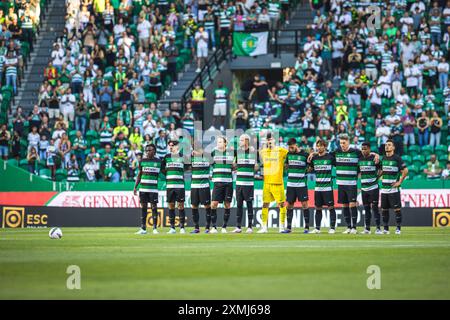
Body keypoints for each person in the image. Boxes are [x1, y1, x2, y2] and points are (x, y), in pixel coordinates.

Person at [259, 132, 288, 233]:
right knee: (265, 204)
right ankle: (264, 227)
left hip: (277, 182)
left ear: (275, 140)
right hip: (267, 183)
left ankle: (281, 226)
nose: (269, 141)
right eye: (268, 139)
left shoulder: (281, 150)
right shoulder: (263, 152)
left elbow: (292, 154)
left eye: (271, 139)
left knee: (281, 204)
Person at [380, 139, 408, 234]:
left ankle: (398, 229)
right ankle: (386, 229)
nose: (387, 146)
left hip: (393, 190)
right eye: (386, 145)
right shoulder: (383, 158)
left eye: (389, 145)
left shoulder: (397, 158)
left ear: (393, 147)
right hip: (384, 189)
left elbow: (405, 171)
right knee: (384, 209)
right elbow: (381, 171)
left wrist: (399, 182)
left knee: (397, 209)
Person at [307, 139, 336, 234]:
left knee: (331, 208)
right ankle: (317, 228)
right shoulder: (314, 158)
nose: (319, 148)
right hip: (317, 188)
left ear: (325, 147)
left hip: (328, 188)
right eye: (317, 146)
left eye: (321, 146)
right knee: (318, 208)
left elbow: (338, 165)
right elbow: (310, 168)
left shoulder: (330, 157)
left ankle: (332, 228)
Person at [284, 138, 310, 234]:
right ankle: (289, 228)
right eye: (289, 148)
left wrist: (305, 171)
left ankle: (307, 227)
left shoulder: (304, 155)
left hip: (301, 184)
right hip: (291, 184)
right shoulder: (288, 154)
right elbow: (286, 165)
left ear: (296, 145)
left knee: (304, 204)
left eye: (292, 147)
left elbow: (310, 166)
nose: (290, 149)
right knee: (289, 205)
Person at [134, 144, 162, 235]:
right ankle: (143, 228)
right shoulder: (142, 161)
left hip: (153, 189)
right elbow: (139, 174)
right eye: (147, 150)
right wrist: (135, 187)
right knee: (144, 208)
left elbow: (164, 172)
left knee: (154, 208)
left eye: (150, 150)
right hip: (143, 189)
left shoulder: (159, 162)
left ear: (154, 151)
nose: (148, 152)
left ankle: (154, 228)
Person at [161, 140, 187, 234]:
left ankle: (182, 228)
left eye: (172, 145)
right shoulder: (166, 157)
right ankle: (172, 228)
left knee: (180, 206)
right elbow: (162, 168)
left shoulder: (183, 157)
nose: (170, 147)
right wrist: (168, 174)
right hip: (170, 185)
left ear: (178, 147)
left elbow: (187, 167)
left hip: (179, 185)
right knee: (171, 205)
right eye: (169, 145)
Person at [234, 134, 257, 234]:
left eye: (241, 140)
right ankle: (238, 227)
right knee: (239, 205)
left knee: (249, 205)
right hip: (239, 183)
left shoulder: (253, 152)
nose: (239, 142)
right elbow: (233, 165)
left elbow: (256, 167)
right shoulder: (237, 152)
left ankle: (250, 227)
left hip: (249, 183)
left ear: (247, 141)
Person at [210, 136, 234, 233]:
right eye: (217, 142)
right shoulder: (213, 153)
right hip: (217, 182)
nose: (218, 144)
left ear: (225, 143)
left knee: (227, 204)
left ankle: (224, 227)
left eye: (220, 142)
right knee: (214, 204)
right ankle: (214, 227)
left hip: (228, 182)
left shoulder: (231, 153)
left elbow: (235, 164)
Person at [358, 142, 382, 234]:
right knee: (366, 209)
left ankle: (378, 228)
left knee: (375, 208)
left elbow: (382, 168)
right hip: (364, 189)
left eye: (365, 149)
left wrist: (377, 177)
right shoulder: (360, 159)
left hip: (373, 188)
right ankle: (367, 229)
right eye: (362, 149)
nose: (363, 150)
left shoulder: (374, 158)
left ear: (369, 149)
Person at [190, 146, 212, 234]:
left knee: (207, 206)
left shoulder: (207, 158)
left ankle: (207, 228)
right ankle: (196, 228)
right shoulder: (191, 160)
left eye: (197, 150)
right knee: (194, 206)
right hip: (194, 186)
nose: (195, 152)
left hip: (204, 186)